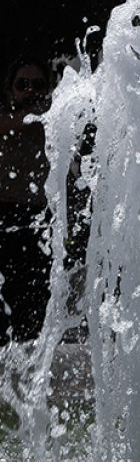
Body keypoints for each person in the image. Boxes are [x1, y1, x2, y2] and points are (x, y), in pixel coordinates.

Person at [0, 58, 52, 346]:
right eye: (23, 85)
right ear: (11, 90)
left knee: (33, 309)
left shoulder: (53, 119)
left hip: (37, 220)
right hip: (3, 218)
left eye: (37, 85)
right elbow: (17, 122)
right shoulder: (7, 119)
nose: (30, 90)